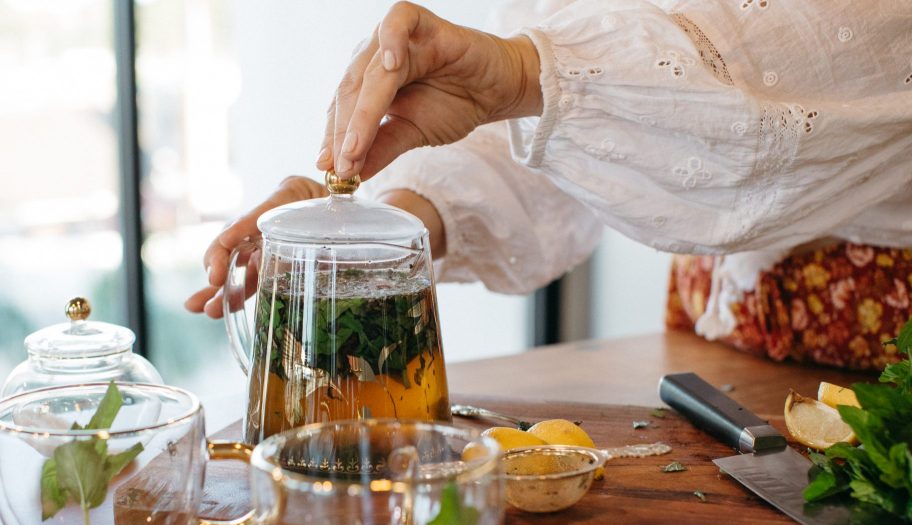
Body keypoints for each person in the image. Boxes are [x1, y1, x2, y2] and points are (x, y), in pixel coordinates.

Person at [186, 0, 912, 370]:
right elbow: (557, 137)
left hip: (885, 375)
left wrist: (532, 74)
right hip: (710, 359)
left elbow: (807, 80)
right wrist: (375, 231)